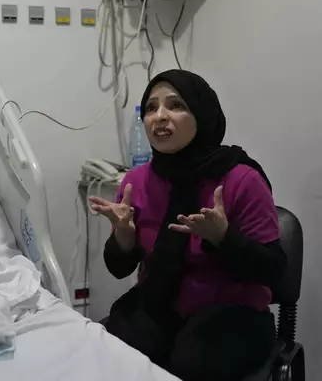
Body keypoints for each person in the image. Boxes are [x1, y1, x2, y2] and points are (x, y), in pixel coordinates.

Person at [89, 70, 286, 381]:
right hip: (159, 304)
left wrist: (223, 239)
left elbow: (274, 270)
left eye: (176, 106)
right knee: (110, 353)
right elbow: (118, 267)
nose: (160, 117)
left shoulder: (241, 179)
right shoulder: (136, 181)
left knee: (191, 365)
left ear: (202, 114)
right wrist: (124, 237)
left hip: (233, 313)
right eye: (151, 108)